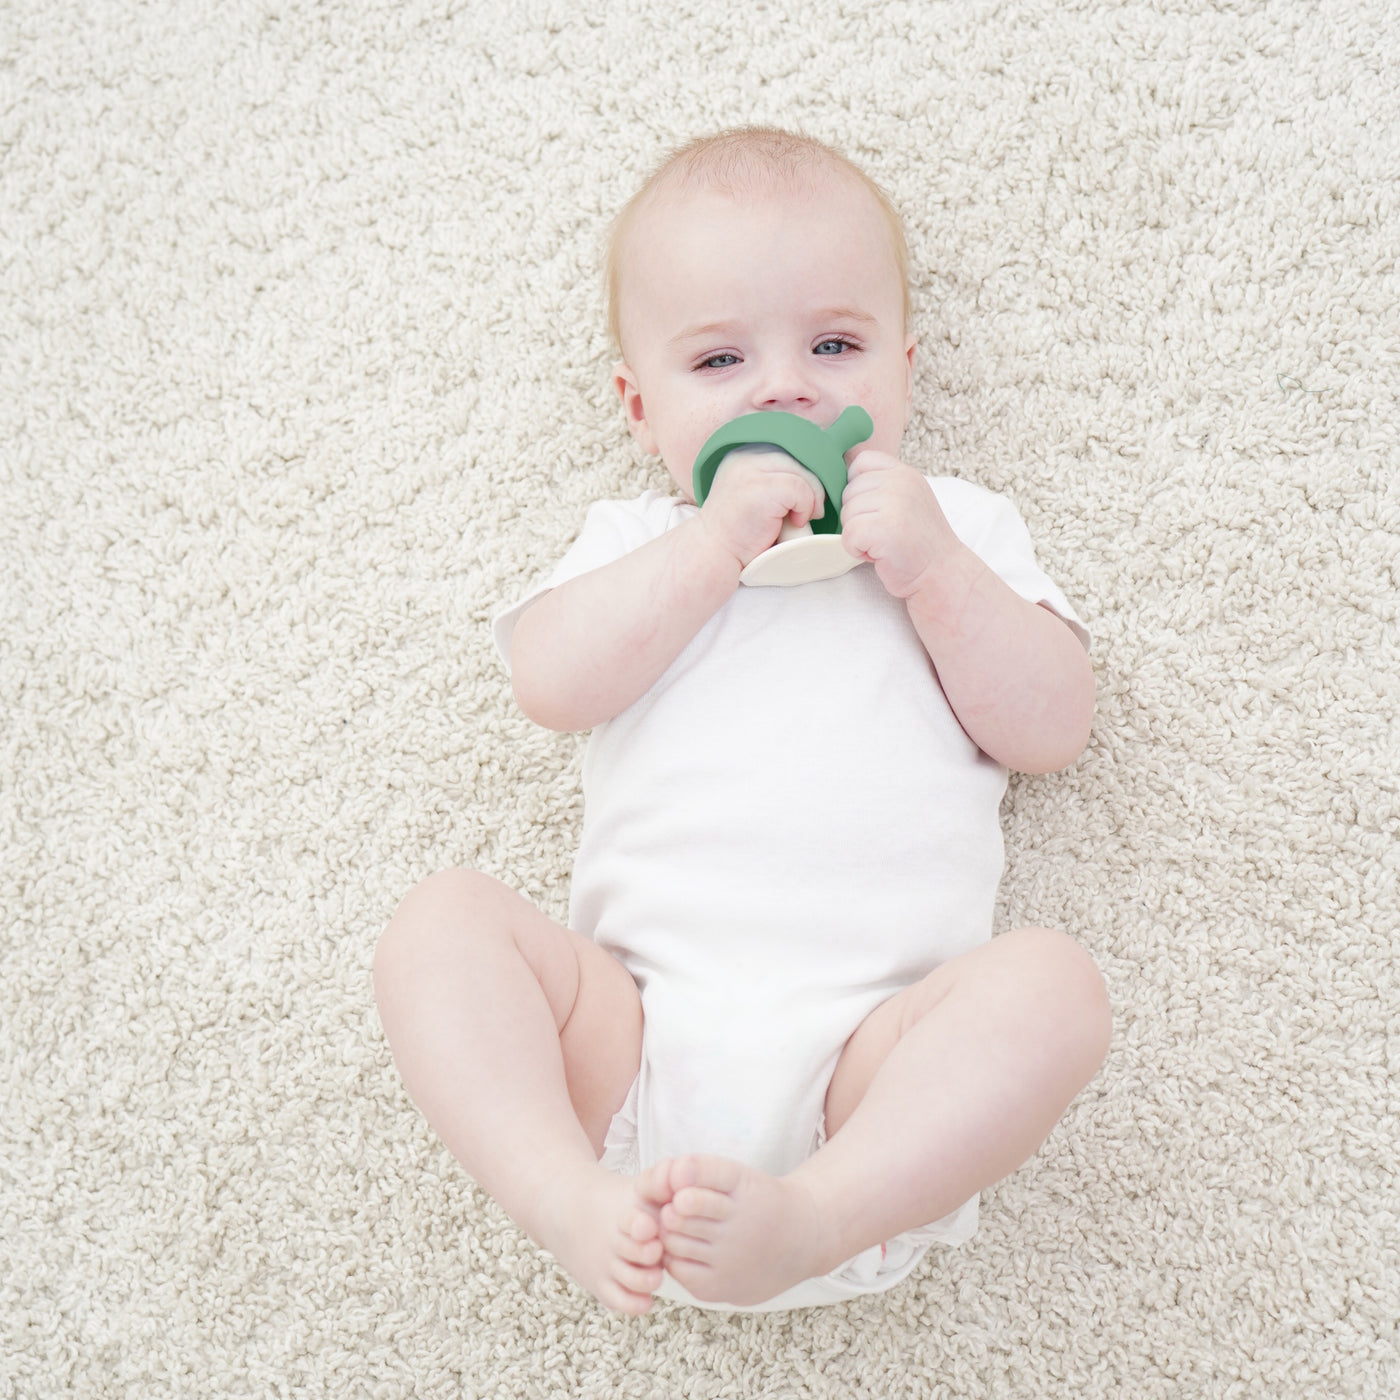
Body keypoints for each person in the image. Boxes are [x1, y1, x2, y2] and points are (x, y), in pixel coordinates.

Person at [373, 126, 1112, 1316]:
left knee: (1054, 987)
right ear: (638, 404)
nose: (784, 388)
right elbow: (549, 685)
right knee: (437, 924)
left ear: (903, 370)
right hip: (632, 1045)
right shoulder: (637, 538)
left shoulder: (955, 523)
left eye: (834, 344)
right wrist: (710, 542)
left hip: (870, 1077)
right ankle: (558, 1191)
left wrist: (930, 567)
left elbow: (1052, 723)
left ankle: (816, 1216)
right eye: (719, 360)